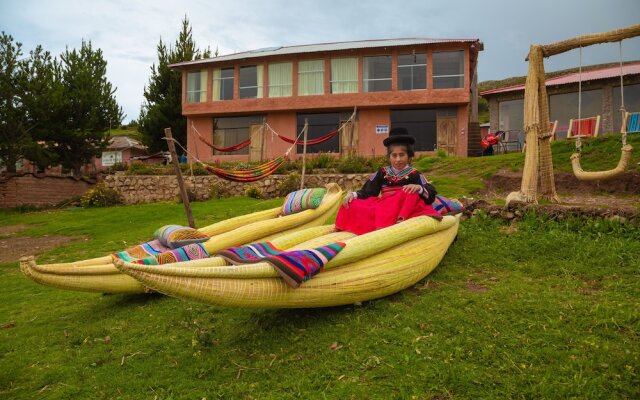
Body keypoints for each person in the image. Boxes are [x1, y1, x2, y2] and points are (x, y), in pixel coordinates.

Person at [335, 128, 441, 235]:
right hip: (384, 209)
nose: (398, 159)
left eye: (402, 155)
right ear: (389, 156)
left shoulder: (415, 174)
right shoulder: (382, 172)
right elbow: (368, 192)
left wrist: (419, 188)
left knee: (410, 192)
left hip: (403, 210)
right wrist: (353, 195)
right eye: (394, 155)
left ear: (409, 156)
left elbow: (430, 193)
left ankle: (397, 222)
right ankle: (379, 224)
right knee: (352, 203)